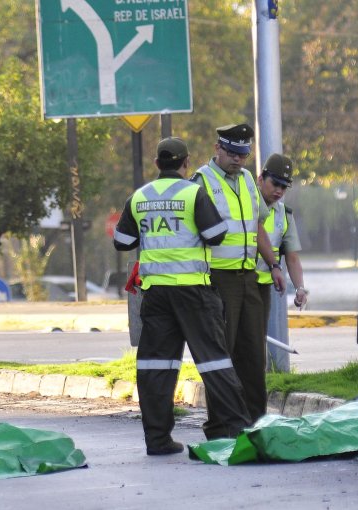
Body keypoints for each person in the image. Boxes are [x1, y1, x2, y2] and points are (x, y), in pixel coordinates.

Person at [113, 137, 252, 455]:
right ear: (186, 162)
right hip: (193, 293)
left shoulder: (140, 196)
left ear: (157, 163)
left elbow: (122, 240)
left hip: (156, 295)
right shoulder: (193, 192)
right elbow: (215, 235)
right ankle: (238, 433)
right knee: (215, 362)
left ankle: (158, 440)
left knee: (155, 366)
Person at [191, 123, 285, 435]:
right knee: (222, 355)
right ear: (217, 148)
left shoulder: (246, 180)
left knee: (253, 354)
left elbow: (257, 227)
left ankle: (254, 422)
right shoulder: (202, 181)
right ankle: (221, 425)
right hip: (218, 280)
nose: (238, 159)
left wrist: (273, 264)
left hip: (249, 278)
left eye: (243, 154)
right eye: (232, 153)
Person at [255, 153, 308, 316]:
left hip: (262, 287)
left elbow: (292, 258)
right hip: (236, 281)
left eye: (284, 187)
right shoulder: (245, 203)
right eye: (275, 184)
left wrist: (300, 288)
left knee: (257, 339)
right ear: (260, 179)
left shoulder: (284, 215)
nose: (279, 190)